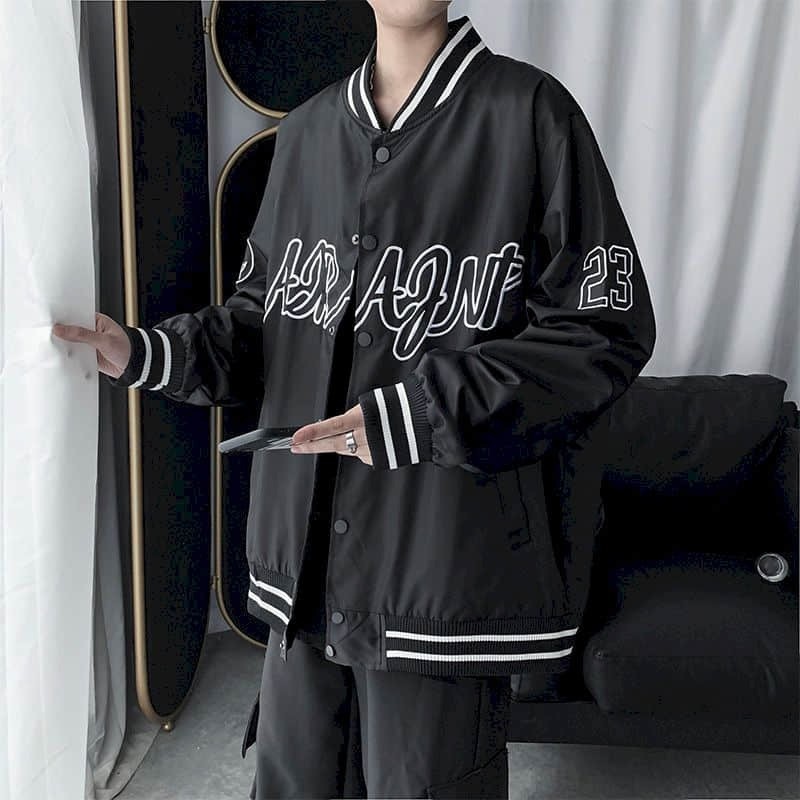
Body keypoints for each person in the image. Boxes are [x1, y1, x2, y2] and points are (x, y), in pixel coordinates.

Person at [53, 1, 657, 797]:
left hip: (440, 571)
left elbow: (604, 328)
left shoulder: (531, 114)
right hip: (308, 572)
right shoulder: (307, 133)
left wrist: (418, 415)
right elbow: (263, 326)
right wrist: (143, 351)